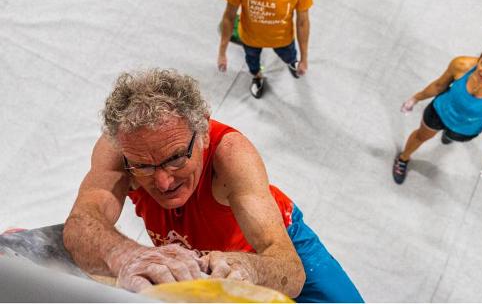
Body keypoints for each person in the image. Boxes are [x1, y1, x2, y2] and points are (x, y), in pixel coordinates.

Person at [63, 69, 363, 303]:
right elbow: (80, 225)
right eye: (143, 166)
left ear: (203, 133)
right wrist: (126, 256)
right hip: (193, 257)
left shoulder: (230, 155)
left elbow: (291, 270)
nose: (164, 182)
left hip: (276, 243)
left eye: (176, 158)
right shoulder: (120, 149)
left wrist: (251, 269)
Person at [393, 41, 482, 184]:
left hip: (464, 130)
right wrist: (415, 98)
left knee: (450, 135)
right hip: (440, 112)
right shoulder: (461, 65)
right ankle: (403, 158)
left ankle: (448, 135)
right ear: (479, 59)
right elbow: (438, 86)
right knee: (420, 136)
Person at [217, 0, 313, 99]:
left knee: (289, 56)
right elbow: (229, 17)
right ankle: (257, 76)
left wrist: (304, 59)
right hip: (250, 39)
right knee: (253, 63)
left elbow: (302, 23)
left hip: (283, 39)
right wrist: (222, 53)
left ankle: (292, 63)